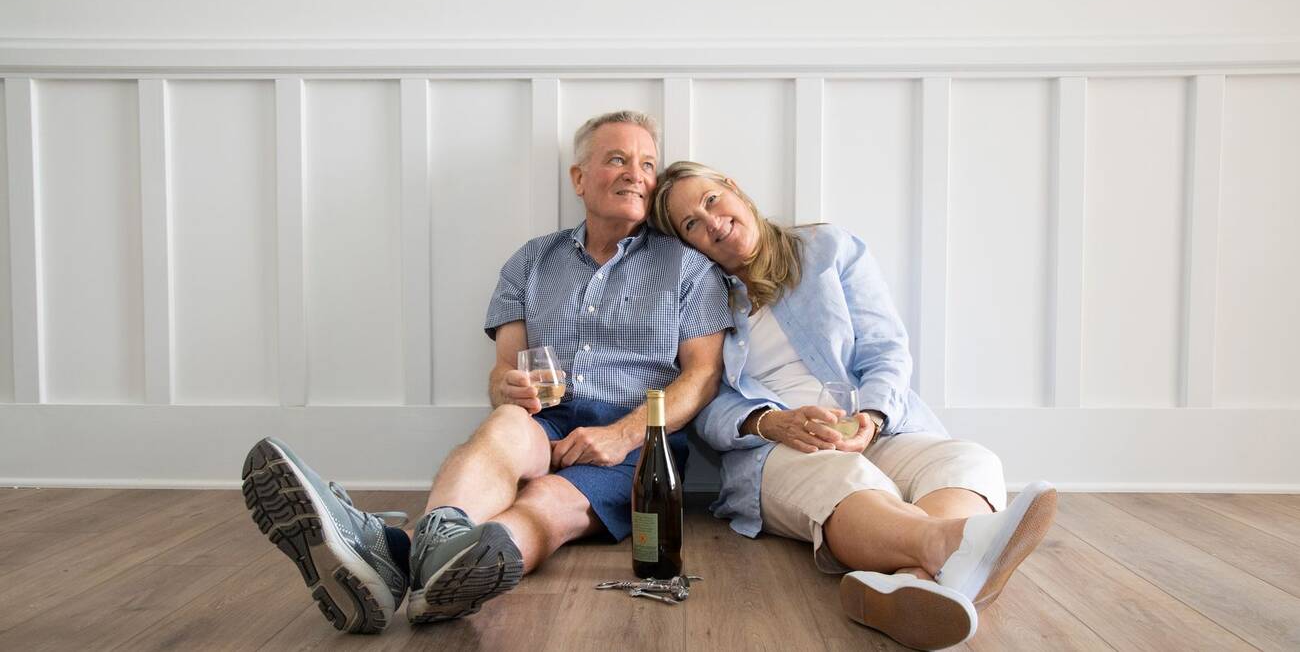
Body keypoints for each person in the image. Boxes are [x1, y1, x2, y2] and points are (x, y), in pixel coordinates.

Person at [241, 112, 731, 634]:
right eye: (617, 159)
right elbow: (501, 376)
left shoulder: (688, 266)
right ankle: (435, 553)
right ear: (579, 178)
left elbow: (701, 377)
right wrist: (508, 387)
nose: (636, 173)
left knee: (548, 504)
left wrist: (621, 435)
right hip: (547, 419)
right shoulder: (531, 261)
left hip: (636, 443)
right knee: (502, 429)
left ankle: (394, 553)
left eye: (647, 163)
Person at [648, 160, 1057, 651]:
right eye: (691, 223)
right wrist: (772, 422)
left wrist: (874, 416)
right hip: (779, 451)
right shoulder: (697, 295)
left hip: (874, 427)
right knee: (842, 479)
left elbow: (886, 349)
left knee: (968, 459)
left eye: (711, 200)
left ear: (734, 189)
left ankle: (914, 584)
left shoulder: (827, 249)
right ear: (686, 242)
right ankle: (950, 545)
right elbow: (705, 404)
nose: (711, 221)